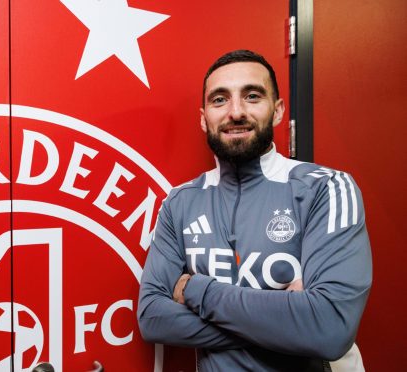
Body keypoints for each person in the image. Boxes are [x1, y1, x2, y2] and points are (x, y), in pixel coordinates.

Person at [137, 50, 372, 371]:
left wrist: (195, 289)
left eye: (252, 96)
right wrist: (290, 321)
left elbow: (330, 329)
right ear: (204, 117)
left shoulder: (327, 187)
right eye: (219, 100)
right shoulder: (179, 202)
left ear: (277, 111)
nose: (236, 112)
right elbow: (153, 319)